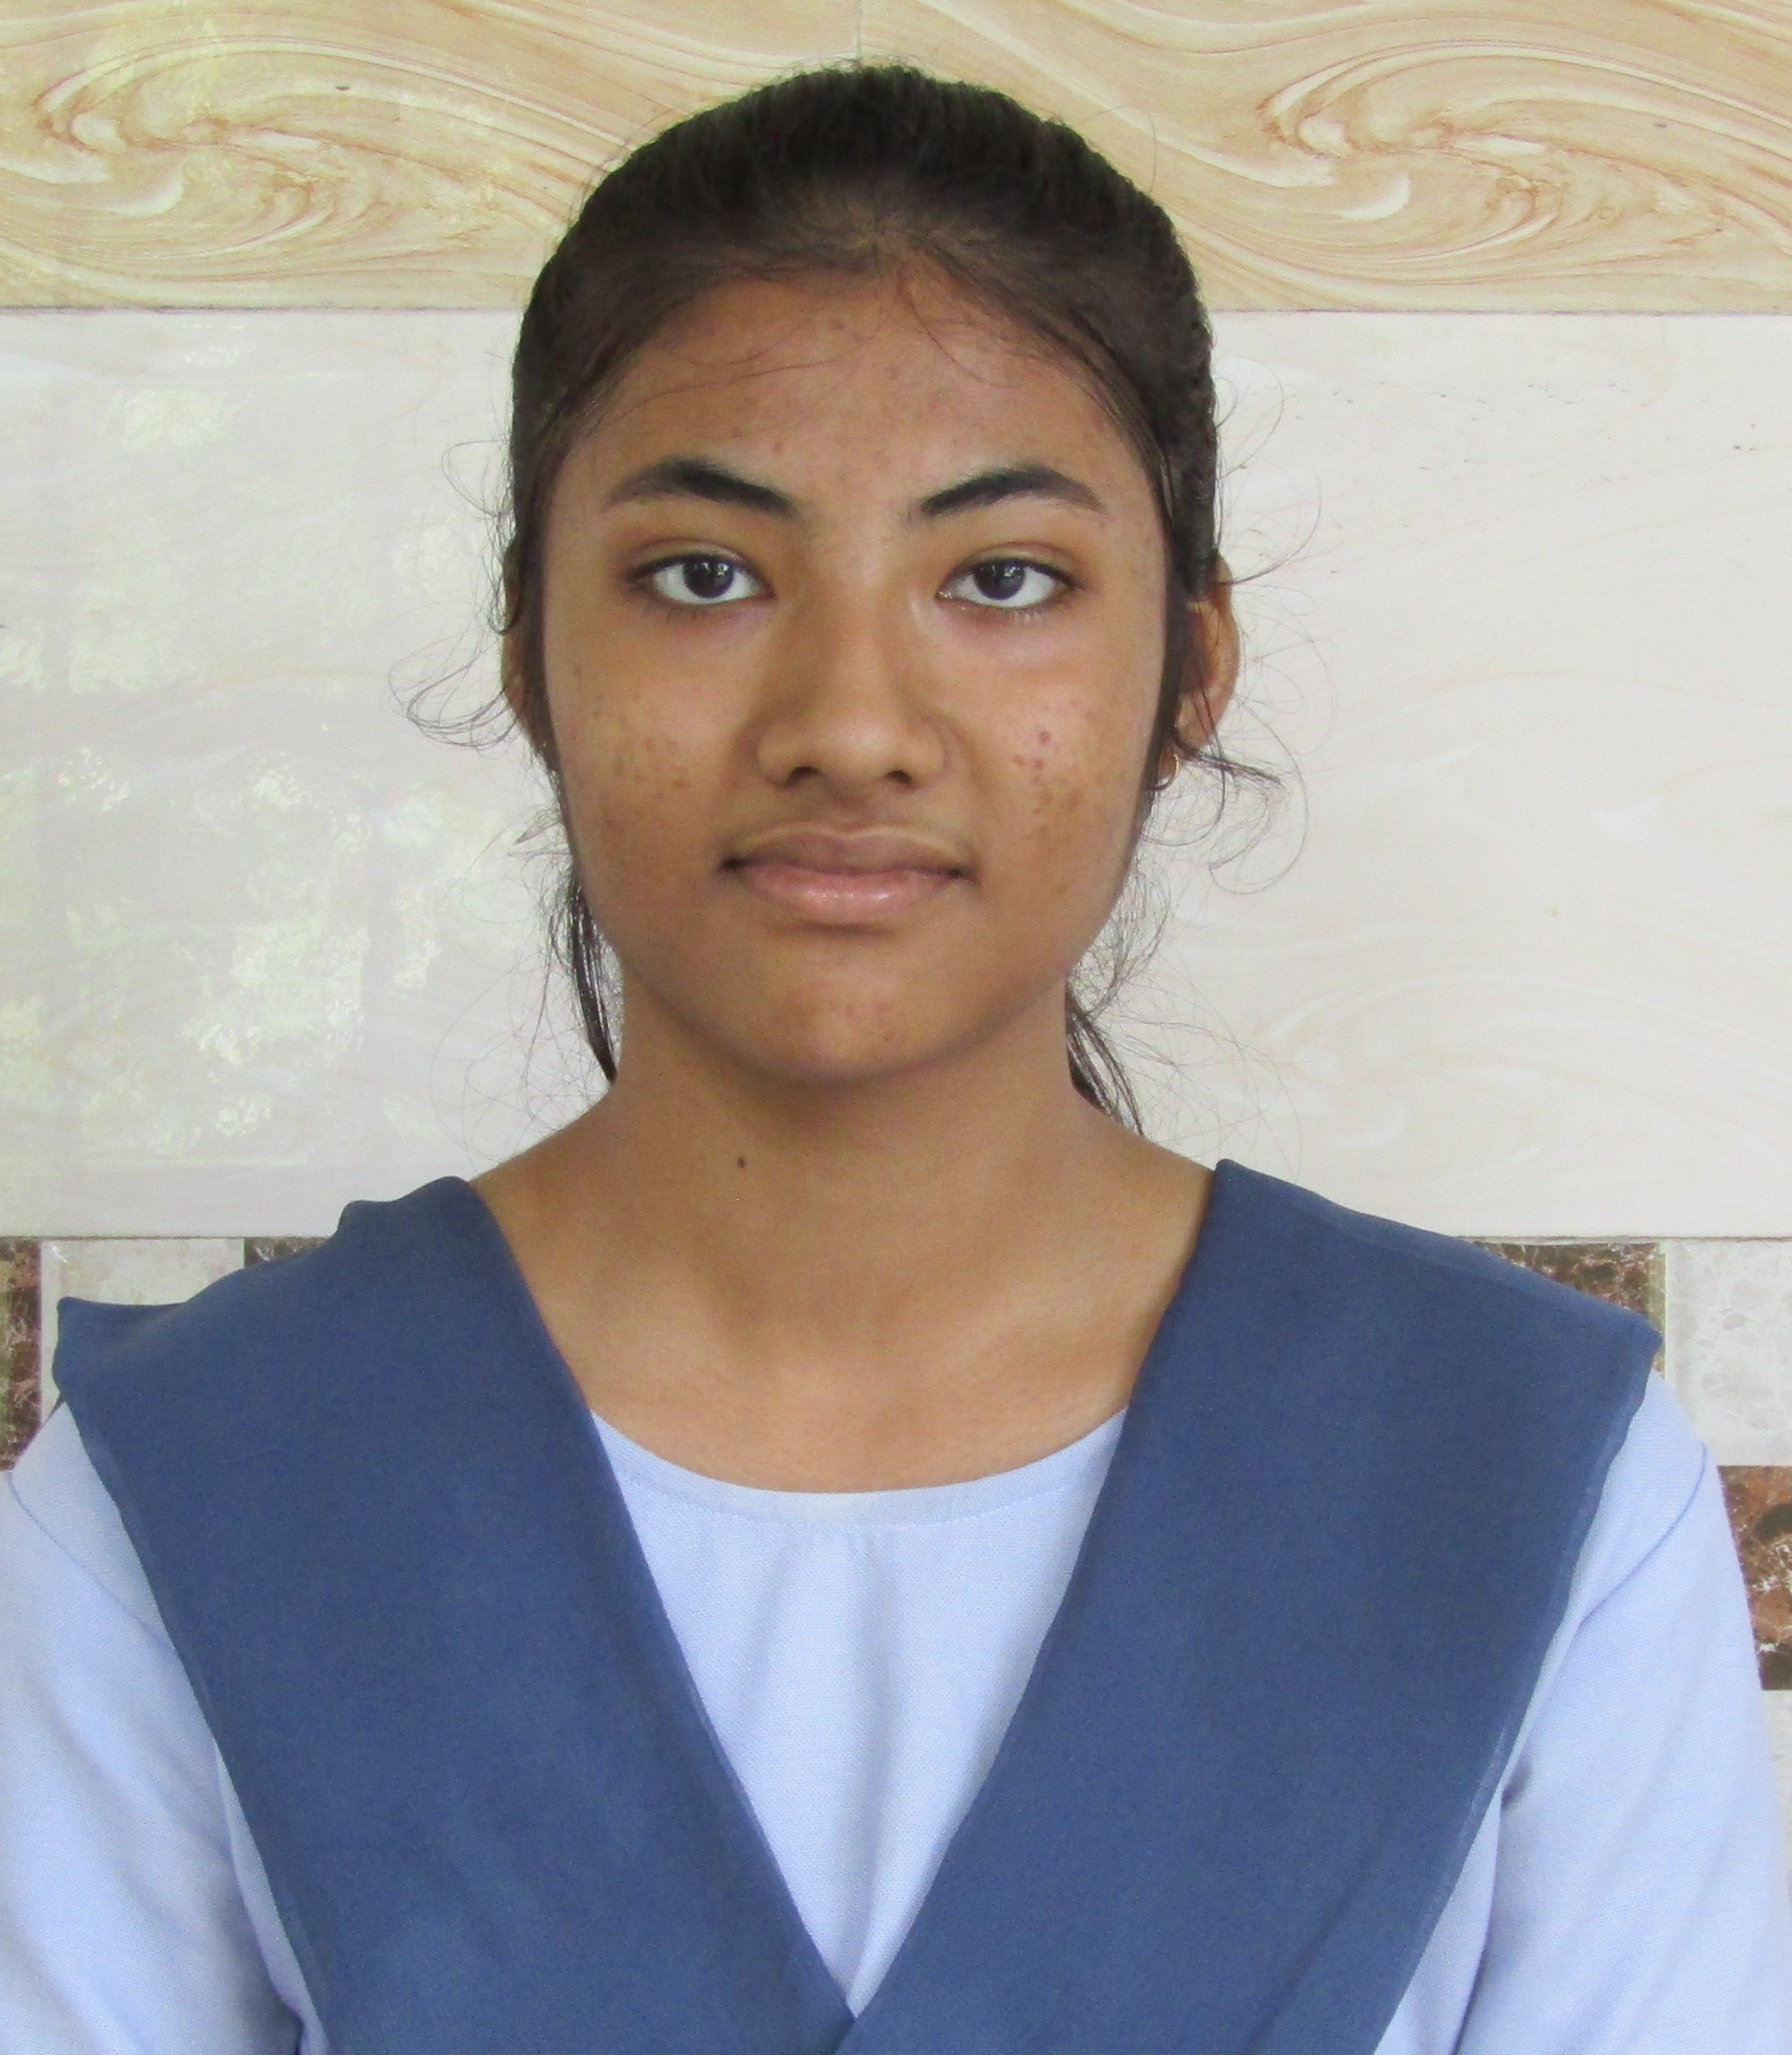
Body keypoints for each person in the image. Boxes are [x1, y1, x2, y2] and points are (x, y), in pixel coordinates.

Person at [1, 61, 1788, 2055]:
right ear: (529, 651)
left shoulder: (1526, 1487)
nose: (851, 722)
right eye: (705, 574)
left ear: (1190, 667)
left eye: (1002, 578)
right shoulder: (188, 1499)